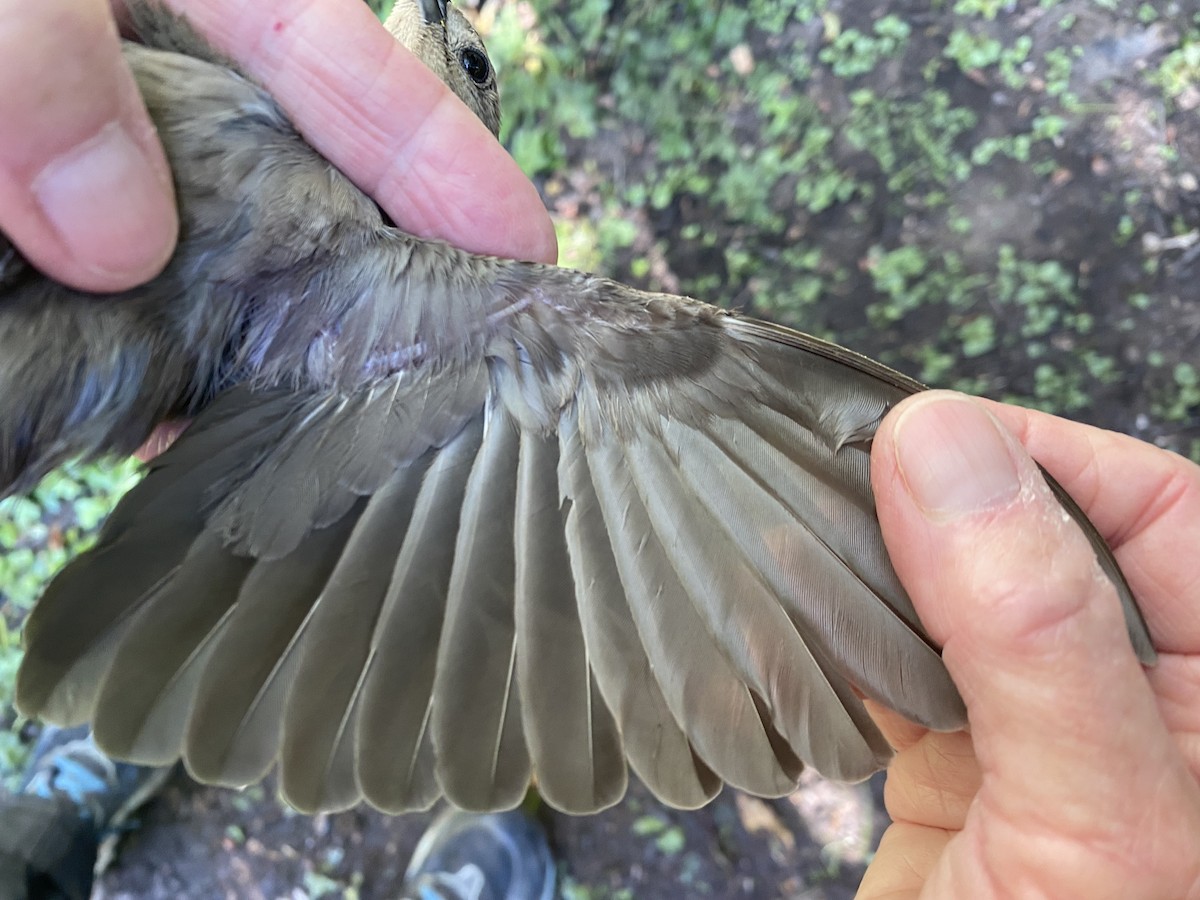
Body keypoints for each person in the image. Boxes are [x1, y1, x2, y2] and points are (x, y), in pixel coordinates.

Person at [0, 1, 1197, 898]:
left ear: (464, 108)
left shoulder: (441, 310)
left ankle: (41, 831)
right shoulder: (341, 224)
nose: (435, 28)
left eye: (464, 55)